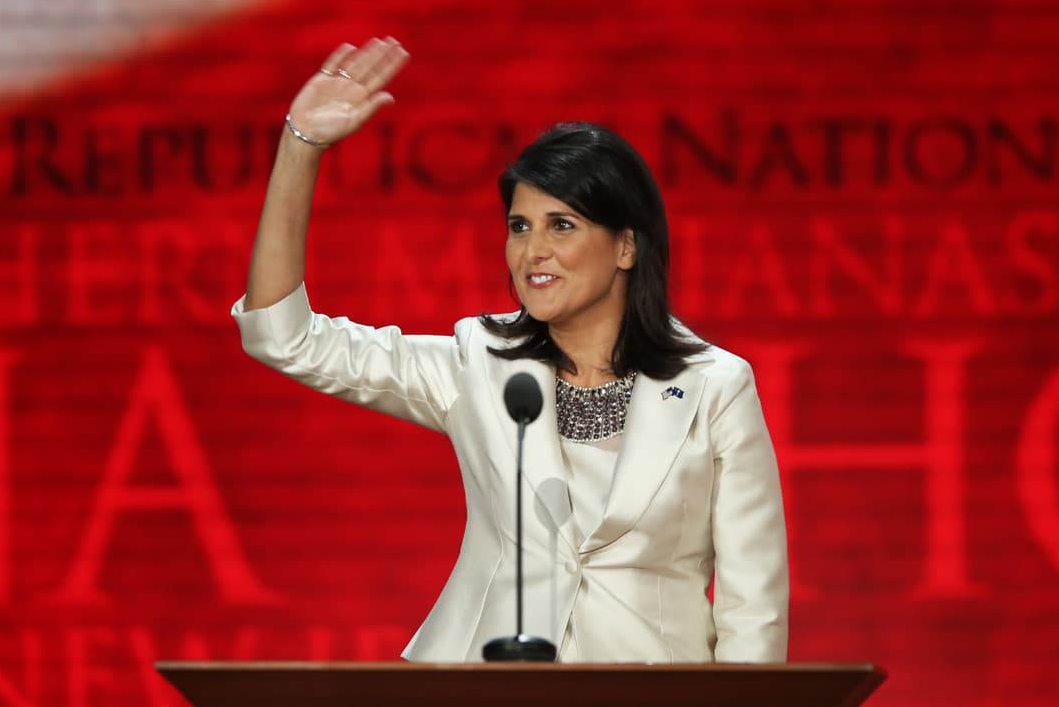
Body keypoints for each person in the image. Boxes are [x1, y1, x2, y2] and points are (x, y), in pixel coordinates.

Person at [233, 37, 788, 663]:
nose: (532, 252)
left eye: (562, 225)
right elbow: (285, 337)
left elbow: (753, 605)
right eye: (519, 227)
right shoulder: (480, 361)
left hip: (652, 689)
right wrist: (300, 147)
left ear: (627, 246)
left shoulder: (716, 386)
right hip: (486, 682)